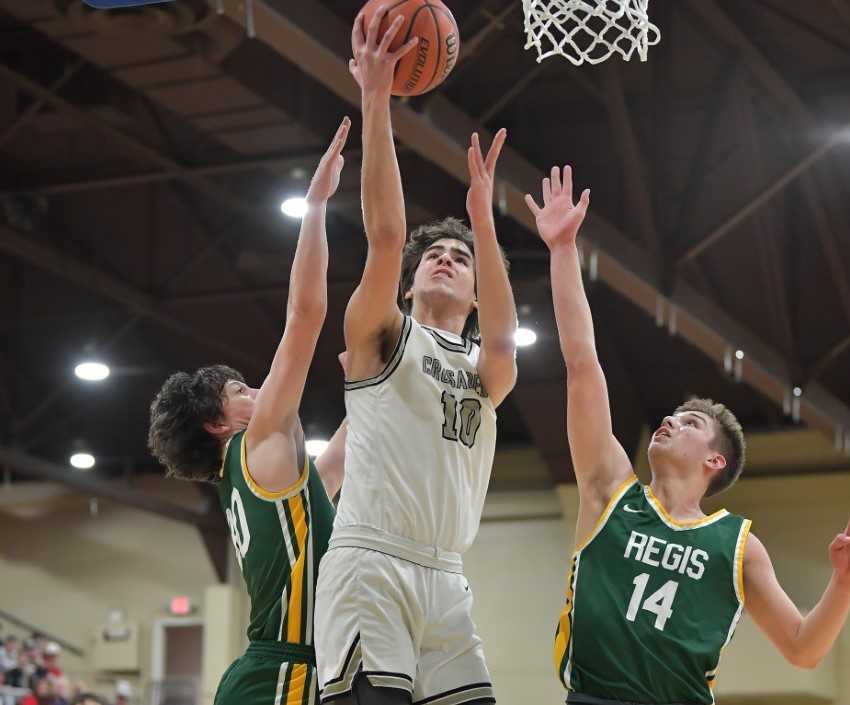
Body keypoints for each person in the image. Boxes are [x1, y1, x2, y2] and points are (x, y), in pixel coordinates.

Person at [523, 163, 850, 704]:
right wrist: (562, 252)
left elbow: (802, 649)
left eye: (691, 422)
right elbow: (583, 364)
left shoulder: (738, 546)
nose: (670, 421)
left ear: (715, 461)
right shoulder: (609, 493)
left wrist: (841, 582)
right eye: (672, 416)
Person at [314, 7, 517, 705]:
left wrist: (484, 224)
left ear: (476, 286)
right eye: (434, 254)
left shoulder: (485, 369)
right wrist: (375, 99)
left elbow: (506, 341)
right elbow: (385, 233)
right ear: (408, 281)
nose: (446, 259)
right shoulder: (384, 334)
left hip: (447, 581)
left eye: (461, 259)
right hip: (371, 562)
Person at [148, 117, 351, 705]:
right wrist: (315, 209)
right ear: (218, 422)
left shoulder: (262, 471)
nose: (257, 391)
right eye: (240, 389)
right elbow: (305, 317)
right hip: (283, 676)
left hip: (288, 674)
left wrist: (384, 373)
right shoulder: (255, 441)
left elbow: (335, 467)